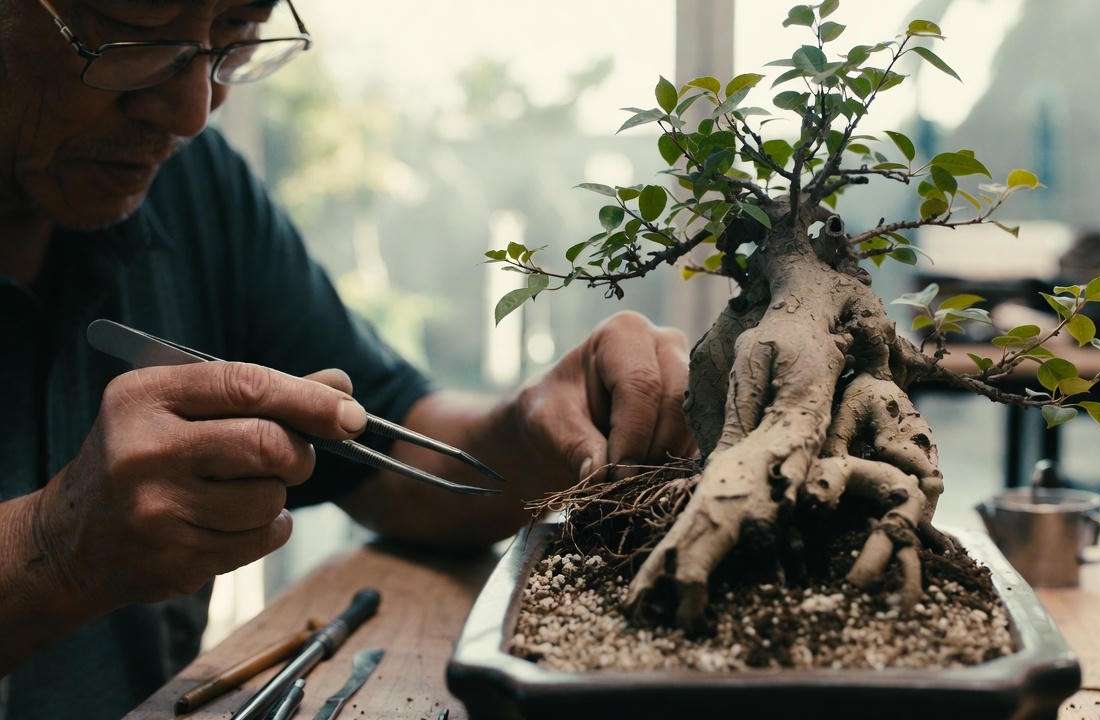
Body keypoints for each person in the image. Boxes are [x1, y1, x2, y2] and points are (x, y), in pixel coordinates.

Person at [0, 2, 693, 717]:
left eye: (234, 34)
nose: (192, 112)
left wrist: (536, 421)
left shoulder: (188, 186)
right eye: (138, 35)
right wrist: (51, 549)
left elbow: (390, 445)